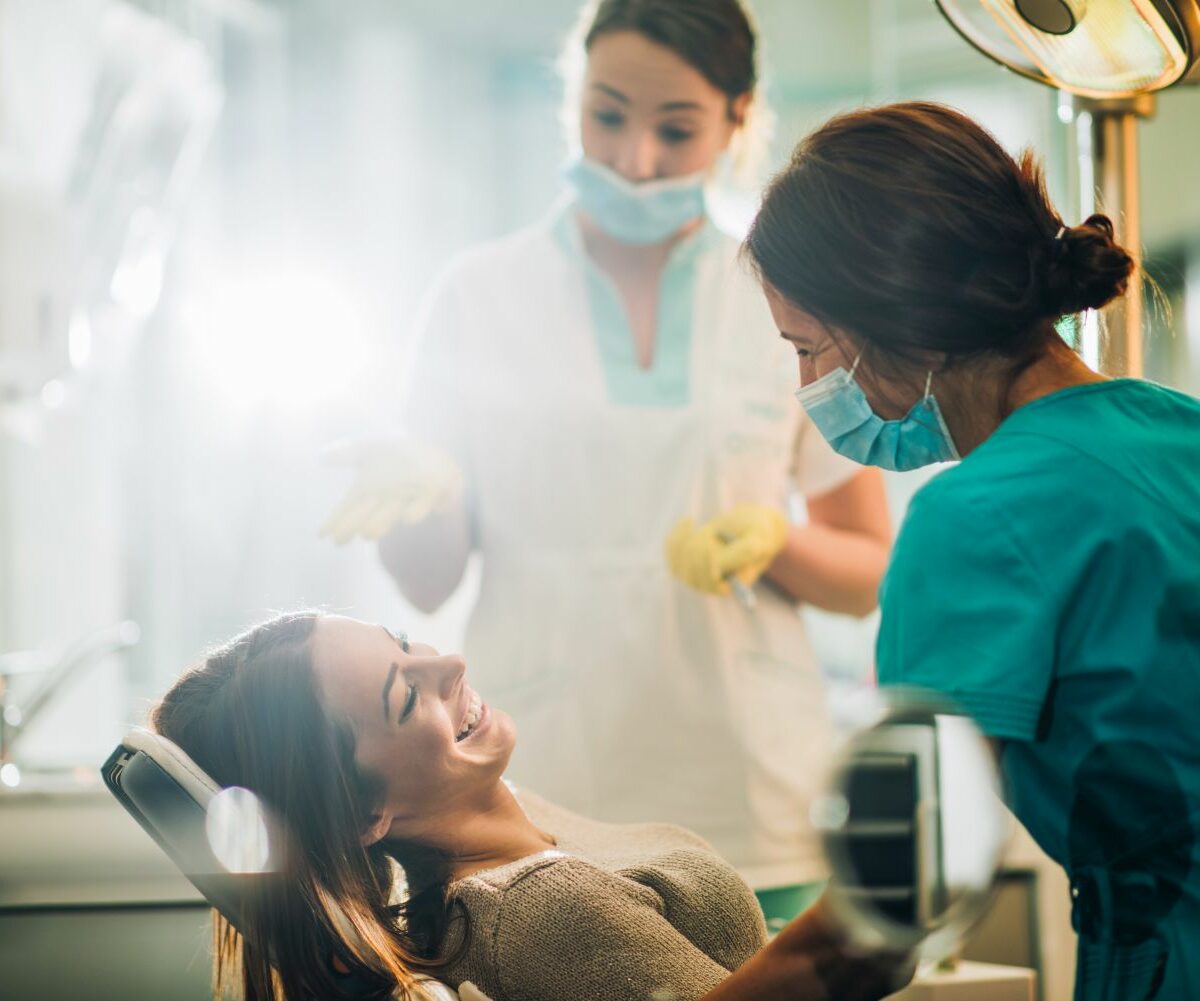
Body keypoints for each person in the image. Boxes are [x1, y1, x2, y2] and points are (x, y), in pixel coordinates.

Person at [322, 0, 891, 926]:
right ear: (574, 99)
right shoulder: (479, 296)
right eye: (608, 115)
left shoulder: (786, 296)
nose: (635, 159)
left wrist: (772, 542)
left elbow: (866, 570)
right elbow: (426, 588)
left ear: (738, 119)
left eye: (676, 129)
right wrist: (420, 494)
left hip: (744, 794)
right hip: (539, 790)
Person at [744, 101, 1200, 1001]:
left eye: (805, 347)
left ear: (891, 320)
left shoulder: (975, 519)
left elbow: (880, 923)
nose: (806, 386)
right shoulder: (1179, 431)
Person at [151, 611, 910, 1001]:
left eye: (409, 643)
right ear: (363, 816)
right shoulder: (541, 912)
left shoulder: (503, 821)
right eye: (406, 695)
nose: (451, 663)